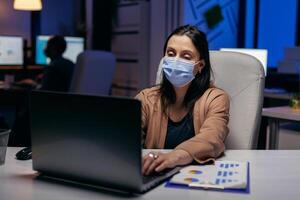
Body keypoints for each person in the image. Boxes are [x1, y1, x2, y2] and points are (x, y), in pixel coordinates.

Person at [135, 25, 230, 175]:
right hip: (153, 175)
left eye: (186, 56)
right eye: (171, 53)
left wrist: (174, 156)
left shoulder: (216, 98)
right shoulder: (146, 99)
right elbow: (127, 142)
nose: (176, 61)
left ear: (200, 65)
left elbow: (212, 138)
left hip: (196, 179)